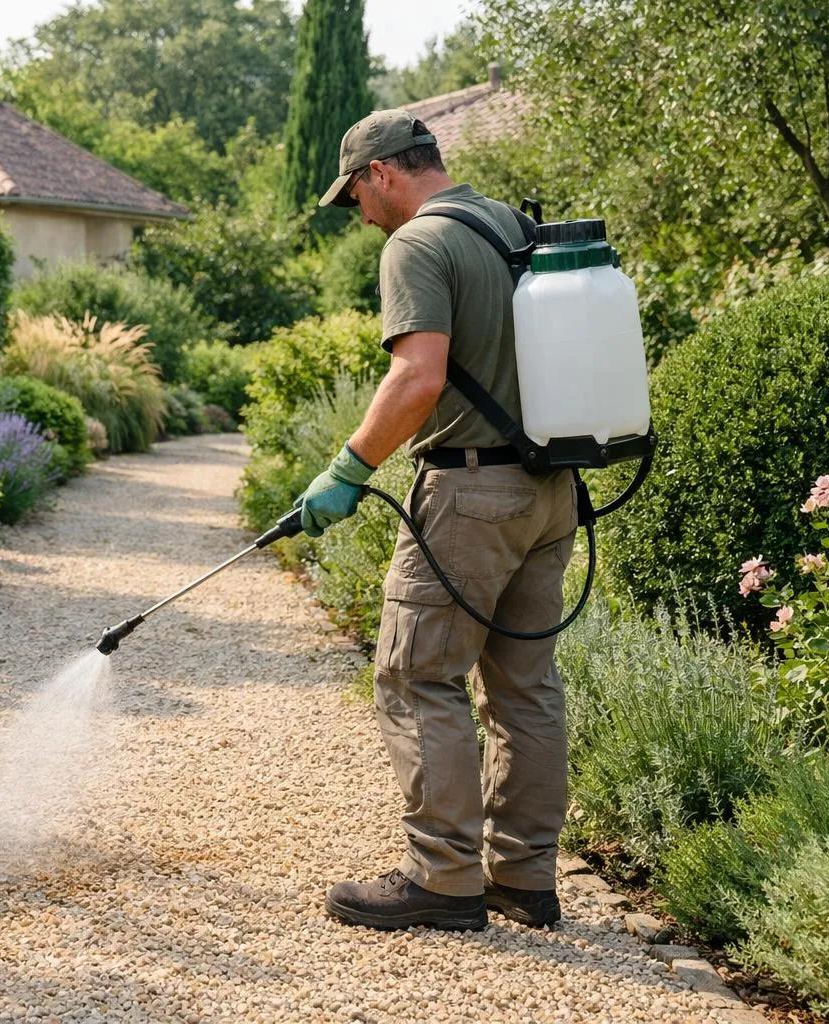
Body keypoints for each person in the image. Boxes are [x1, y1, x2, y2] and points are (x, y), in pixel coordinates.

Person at [299, 109, 576, 932]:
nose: (359, 214)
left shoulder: (417, 244)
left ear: (381, 171)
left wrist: (348, 468)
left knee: (417, 676)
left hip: (470, 493)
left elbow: (418, 377)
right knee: (525, 686)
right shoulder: (512, 226)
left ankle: (444, 879)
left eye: (353, 196)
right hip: (552, 490)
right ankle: (525, 879)